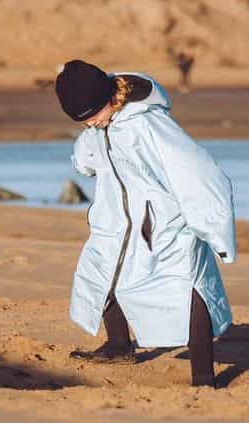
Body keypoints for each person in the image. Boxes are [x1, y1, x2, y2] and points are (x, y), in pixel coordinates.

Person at [55, 60, 235, 388]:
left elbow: (199, 172)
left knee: (190, 285)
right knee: (100, 272)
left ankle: (203, 376)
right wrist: (85, 162)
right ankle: (119, 346)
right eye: (82, 121)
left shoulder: (148, 124)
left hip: (166, 222)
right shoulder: (100, 123)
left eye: (92, 116)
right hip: (117, 219)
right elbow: (89, 154)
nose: (91, 125)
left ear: (108, 99)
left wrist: (213, 225)